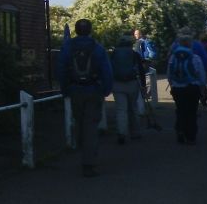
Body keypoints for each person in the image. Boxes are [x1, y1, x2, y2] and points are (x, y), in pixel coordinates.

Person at [57, 19, 113, 177]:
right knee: (91, 126)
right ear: (90, 30)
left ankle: (83, 152)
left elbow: (60, 69)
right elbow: (107, 71)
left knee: (80, 123)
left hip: (75, 90)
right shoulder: (97, 48)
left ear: (75, 30)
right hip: (93, 90)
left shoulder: (67, 47)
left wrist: (64, 90)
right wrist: (106, 90)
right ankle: (89, 161)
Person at [167, 35, 207, 144]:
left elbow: (169, 74)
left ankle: (180, 130)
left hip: (177, 88)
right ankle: (191, 136)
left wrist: (172, 86)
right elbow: (201, 75)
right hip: (192, 88)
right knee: (192, 112)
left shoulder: (173, 58)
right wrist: (202, 89)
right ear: (190, 44)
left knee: (180, 110)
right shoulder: (195, 58)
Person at [110, 34, 144, 144]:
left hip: (117, 83)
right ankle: (135, 132)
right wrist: (143, 85)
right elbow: (141, 70)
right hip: (132, 83)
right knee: (133, 108)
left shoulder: (114, 54)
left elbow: (109, 68)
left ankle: (121, 132)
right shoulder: (134, 54)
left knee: (121, 109)